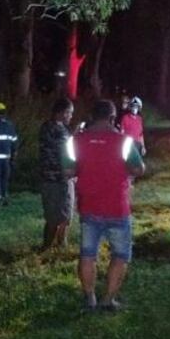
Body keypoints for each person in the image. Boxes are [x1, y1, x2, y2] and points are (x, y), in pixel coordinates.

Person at [64, 99, 145, 312]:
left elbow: (67, 172)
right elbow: (139, 169)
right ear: (112, 118)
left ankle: (90, 298)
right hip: (117, 207)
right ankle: (108, 299)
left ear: (91, 116)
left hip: (89, 206)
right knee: (120, 255)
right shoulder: (125, 141)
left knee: (87, 254)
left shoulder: (76, 141)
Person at [39, 97, 75, 251]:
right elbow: (66, 155)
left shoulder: (45, 127)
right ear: (63, 112)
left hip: (46, 177)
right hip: (61, 178)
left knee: (51, 215)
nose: (71, 116)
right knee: (64, 215)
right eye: (70, 113)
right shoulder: (61, 131)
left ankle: (48, 246)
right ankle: (58, 246)